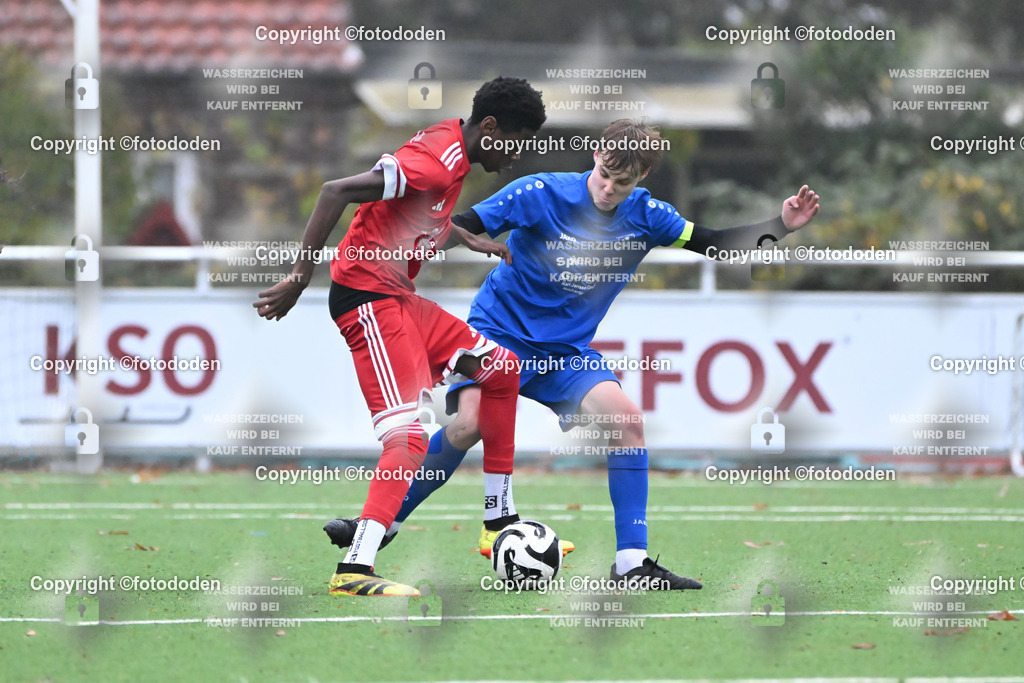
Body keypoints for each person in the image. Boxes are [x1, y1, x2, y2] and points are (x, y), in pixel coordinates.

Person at [325, 118, 820, 590]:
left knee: (626, 420)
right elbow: (456, 222)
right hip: (498, 333)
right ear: (597, 156)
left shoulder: (649, 215)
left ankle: (632, 563)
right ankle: (385, 524)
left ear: (642, 176)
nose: (608, 188)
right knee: (467, 425)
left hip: (565, 353)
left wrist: (783, 224)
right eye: (605, 174)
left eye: (621, 183)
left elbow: (715, 243)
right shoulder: (539, 192)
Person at [255, 77, 547, 596]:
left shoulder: (451, 149)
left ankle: (498, 520)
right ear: (490, 127)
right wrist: (299, 277)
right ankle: (355, 570)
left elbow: (422, 206)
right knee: (409, 437)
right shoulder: (435, 160)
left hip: (400, 299)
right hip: (368, 301)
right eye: (518, 139)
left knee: (502, 367)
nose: (519, 154)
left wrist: (467, 237)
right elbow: (335, 191)